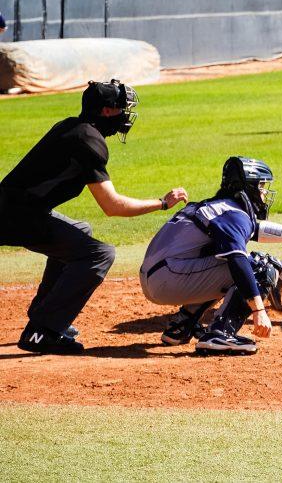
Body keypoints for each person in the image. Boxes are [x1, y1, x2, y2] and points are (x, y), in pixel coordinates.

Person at [0, 80, 188, 355]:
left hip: (20, 210)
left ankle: (45, 314)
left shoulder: (73, 127)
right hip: (17, 216)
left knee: (81, 230)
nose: (126, 113)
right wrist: (161, 203)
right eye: (122, 107)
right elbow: (112, 206)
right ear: (107, 112)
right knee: (99, 254)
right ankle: (43, 330)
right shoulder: (88, 141)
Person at [140, 157, 282, 355]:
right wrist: (259, 311)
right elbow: (237, 261)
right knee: (260, 267)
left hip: (161, 275)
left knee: (222, 261)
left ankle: (182, 325)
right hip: (169, 277)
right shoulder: (233, 213)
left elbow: (254, 229)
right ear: (247, 187)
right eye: (261, 186)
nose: (264, 192)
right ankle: (220, 333)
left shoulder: (220, 207)